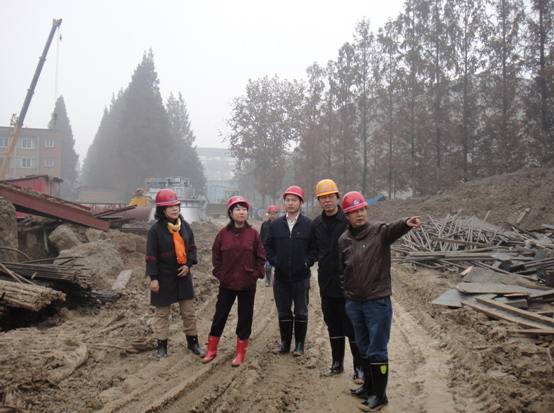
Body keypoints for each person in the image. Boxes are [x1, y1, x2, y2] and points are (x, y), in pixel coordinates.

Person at [338, 191, 421, 411]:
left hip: (377, 302)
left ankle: (380, 395)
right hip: (355, 302)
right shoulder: (344, 240)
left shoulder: (379, 232)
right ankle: (368, 386)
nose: (360, 214)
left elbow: (395, 228)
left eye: (362, 209)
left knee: (377, 349)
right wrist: (347, 295)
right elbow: (342, 270)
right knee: (364, 347)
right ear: (347, 215)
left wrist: (406, 222)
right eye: (354, 211)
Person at [310, 179, 364, 383]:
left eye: (331, 196)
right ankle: (336, 364)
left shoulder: (348, 220)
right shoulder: (316, 224)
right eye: (323, 198)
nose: (327, 201)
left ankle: (359, 367)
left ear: (337, 198)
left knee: (351, 325)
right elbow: (312, 249)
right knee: (332, 324)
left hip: (348, 283)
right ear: (318, 201)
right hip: (326, 282)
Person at [203, 195, 266, 367]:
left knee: (245, 318)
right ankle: (211, 350)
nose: (241, 212)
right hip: (227, 283)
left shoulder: (253, 234)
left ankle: (240, 353)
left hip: (247, 284)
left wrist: (255, 274)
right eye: (237, 209)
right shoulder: (223, 234)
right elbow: (216, 256)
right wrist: (220, 274)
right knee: (220, 316)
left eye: (244, 209)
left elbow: (261, 257)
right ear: (230, 213)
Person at [145, 188, 205, 358]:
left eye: (176, 205)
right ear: (162, 209)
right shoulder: (155, 230)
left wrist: (188, 265)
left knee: (188, 312)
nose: (175, 209)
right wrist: (154, 278)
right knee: (162, 314)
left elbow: (192, 249)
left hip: (183, 276)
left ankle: (193, 344)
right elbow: (151, 256)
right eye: (170, 206)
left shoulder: (184, 226)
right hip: (163, 277)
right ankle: (162, 347)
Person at [264, 186, 317, 357]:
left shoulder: (309, 225)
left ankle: (299, 345)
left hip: (301, 277)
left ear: (301, 202)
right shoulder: (276, 225)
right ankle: (285, 344)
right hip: (281, 278)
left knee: (301, 311)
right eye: (287, 200)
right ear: (284, 203)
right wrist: (275, 262)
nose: (291, 203)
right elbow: (268, 246)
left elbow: (315, 248)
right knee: (284, 311)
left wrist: (307, 262)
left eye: (294, 200)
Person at [260, 205, 279, 287]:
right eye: (271, 214)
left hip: (277, 248)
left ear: (276, 214)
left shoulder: (280, 224)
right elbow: (261, 236)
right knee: (268, 265)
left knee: (278, 265)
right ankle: (268, 279)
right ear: (269, 214)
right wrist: (261, 247)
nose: (273, 215)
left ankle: (277, 280)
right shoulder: (264, 225)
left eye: (274, 214)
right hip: (267, 249)